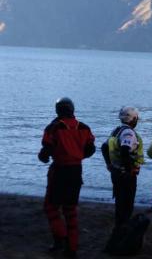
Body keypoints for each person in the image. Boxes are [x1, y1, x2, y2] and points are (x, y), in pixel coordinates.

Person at [38, 97, 95, 257]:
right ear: (72, 109)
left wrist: (45, 156)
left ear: (58, 110)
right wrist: (76, 155)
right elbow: (90, 150)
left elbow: (45, 151)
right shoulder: (84, 127)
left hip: (59, 171)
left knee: (51, 207)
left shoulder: (53, 128)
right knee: (70, 210)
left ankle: (60, 239)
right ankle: (72, 248)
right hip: (76, 171)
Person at [103, 106, 144, 228]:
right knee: (127, 203)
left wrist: (109, 164)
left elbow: (104, 147)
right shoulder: (128, 133)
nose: (137, 121)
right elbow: (125, 150)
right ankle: (123, 228)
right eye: (136, 119)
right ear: (133, 119)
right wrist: (128, 169)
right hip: (125, 174)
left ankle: (119, 225)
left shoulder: (116, 131)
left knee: (119, 201)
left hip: (116, 172)